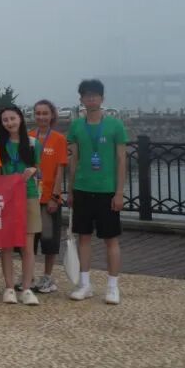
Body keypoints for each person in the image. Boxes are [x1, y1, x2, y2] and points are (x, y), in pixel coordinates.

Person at [67, 79, 127, 305]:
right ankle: (85, 284)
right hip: (82, 188)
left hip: (107, 190)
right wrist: (70, 190)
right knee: (83, 237)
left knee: (111, 239)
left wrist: (119, 192)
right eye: (87, 95)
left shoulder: (115, 126)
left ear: (102, 98)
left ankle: (112, 286)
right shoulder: (76, 126)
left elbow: (121, 159)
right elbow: (74, 160)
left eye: (95, 95)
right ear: (81, 99)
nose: (91, 99)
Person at [0, 106, 42, 305]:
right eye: (5, 120)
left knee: (27, 245)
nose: (9, 123)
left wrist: (33, 170)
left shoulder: (33, 143)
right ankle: (9, 287)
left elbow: (39, 168)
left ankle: (26, 288)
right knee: (6, 244)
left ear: (21, 119)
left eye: (12, 118)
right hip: (5, 198)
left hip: (28, 195)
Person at [30, 99, 68, 294]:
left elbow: (60, 170)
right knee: (30, 239)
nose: (41, 117)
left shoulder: (59, 139)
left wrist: (55, 196)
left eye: (45, 113)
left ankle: (47, 276)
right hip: (31, 197)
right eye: (38, 113)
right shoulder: (29, 137)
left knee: (49, 239)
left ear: (52, 115)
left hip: (48, 198)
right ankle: (28, 275)